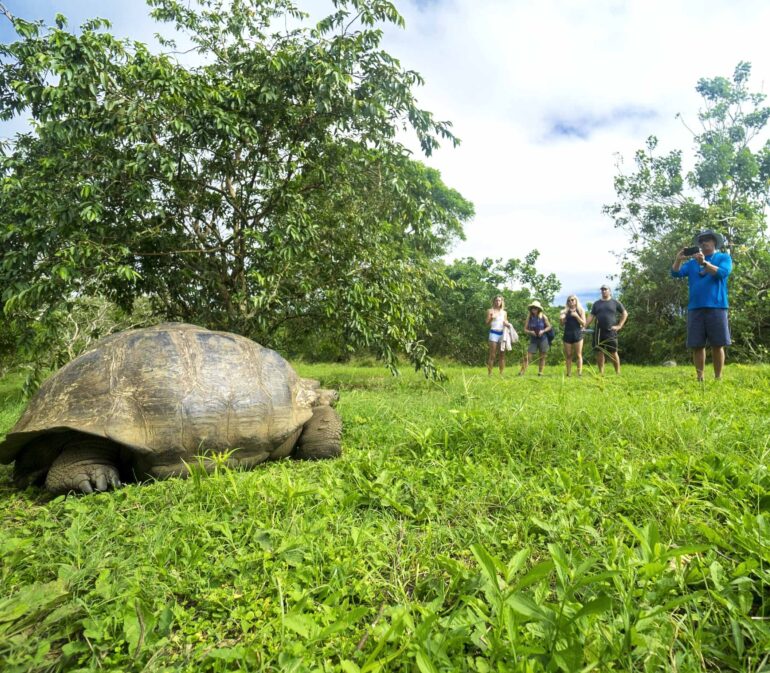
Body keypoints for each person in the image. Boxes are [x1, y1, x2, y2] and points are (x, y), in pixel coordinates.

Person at [671, 229, 732, 381]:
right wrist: (678, 259)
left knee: (718, 344)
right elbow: (675, 273)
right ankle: (700, 378)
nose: (704, 243)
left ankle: (718, 377)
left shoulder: (723, 257)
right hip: (695, 308)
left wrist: (704, 263)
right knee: (697, 345)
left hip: (717, 306)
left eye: (707, 240)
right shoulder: (691, 263)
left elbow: (723, 273)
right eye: (701, 241)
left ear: (714, 242)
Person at [584, 285, 627, 374]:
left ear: (609, 291)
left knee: (613, 352)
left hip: (611, 332)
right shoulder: (596, 304)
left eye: (605, 289)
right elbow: (591, 316)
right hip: (598, 332)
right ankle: (601, 373)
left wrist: (619, 325)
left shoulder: (615, 302)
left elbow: (625, 313)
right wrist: (584, 326)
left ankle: (618, 373)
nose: (603, 291)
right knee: (599, 352)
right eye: (602, 290)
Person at [519, 300, 552, 376]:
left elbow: (549, 326)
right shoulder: (529, 318)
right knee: (528, 356)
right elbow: (525, 329)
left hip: (543, 338)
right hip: (533, 339)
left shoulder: (543, 316)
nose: (534, 309)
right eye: (532, 307)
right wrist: (530, 332)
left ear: (538, 309)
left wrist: (543, 331)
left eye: (535, 308)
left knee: (542, 356)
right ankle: (522, 372)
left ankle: (540, 372)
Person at [560, 294, 586, 377]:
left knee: (578, 354)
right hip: (567, 335)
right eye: (569, 300)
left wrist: (576, 316)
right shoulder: (565, 311)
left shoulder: (580, 310)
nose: (570, 302)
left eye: (572, 300)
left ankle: (579, 373)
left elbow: (584, 323)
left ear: (576, 301)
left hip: (577, 334)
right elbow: (561, 324)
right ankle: (569, 373)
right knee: (568, 355)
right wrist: (562, 319)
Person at [486, 295, 512, 375]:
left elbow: (505, 321)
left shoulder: (504, 312)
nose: (498, 302)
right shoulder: (490, 311)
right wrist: (491, 318)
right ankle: (490, 374)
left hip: (502, 334)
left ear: (502, 302)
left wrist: (507, 324)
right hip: (493, 333)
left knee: (502, 355)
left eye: (499, 301)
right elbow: (487, 323)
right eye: (496, 300)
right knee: (492, 355)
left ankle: (501, 374)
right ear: (494, 301)